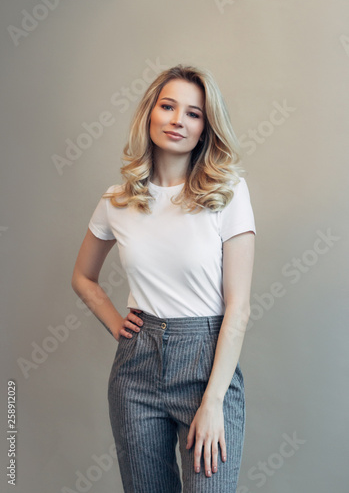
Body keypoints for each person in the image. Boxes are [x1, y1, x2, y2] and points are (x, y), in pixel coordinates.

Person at [71, 64, 256, 493]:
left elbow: (239, 308)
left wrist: (212, 402)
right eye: (168, 106)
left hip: (207, 364)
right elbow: (83, 277)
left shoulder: (227, 194)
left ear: (205, 127)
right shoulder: (117, 201)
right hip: (136, 370)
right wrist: (118, 324)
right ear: (149, 114)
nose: (178, 120)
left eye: (193, 113)